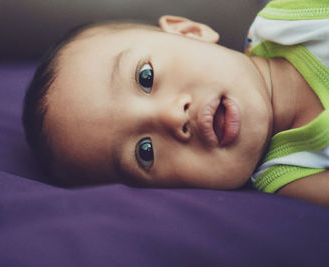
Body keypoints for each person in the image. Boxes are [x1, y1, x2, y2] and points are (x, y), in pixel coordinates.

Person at [23, 0, 329, 207]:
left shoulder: (296, 18)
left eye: (145, 77)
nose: (170, 117)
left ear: (190, 32)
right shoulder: (290, 177)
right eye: (145, 152)